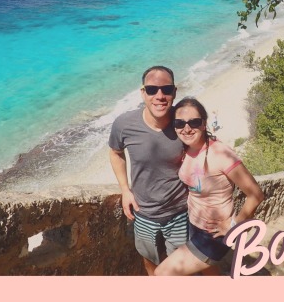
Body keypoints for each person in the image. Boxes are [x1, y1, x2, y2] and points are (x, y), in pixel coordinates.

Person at [154, 97, 265, 276]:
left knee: (163, 274)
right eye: (180, 123)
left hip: (213, 235)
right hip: (194, 224)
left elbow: (256, 194)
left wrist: (234, 225)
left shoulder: (220, 154)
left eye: (194, 122)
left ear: (204, 124)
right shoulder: (186, 148)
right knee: (209, 272)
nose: (186, 128)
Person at [108, 66, 188, 275]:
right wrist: (125, 189)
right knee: (150, 263)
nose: (159, 96)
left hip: (180, 213)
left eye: (166, 89)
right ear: (143, 93)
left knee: (180, 269)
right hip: (143, 213)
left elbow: (205, 152)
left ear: (174, 92)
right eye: (152, 90)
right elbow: (115, 153)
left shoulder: (184, 123)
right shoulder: (124, 124)